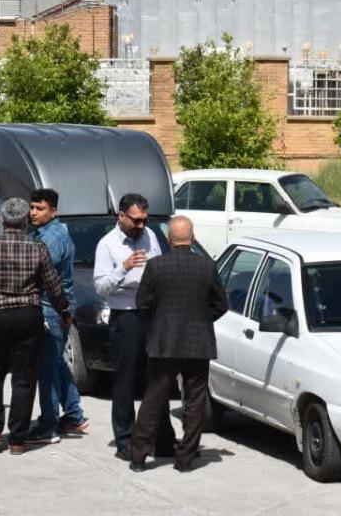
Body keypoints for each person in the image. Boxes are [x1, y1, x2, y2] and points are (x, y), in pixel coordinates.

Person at [0, 198, 70, 455]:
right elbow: (53, 285)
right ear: (25, 221)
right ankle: (17, 440)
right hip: (28, 315)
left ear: (2, 219)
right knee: (24, 378)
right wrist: (64, 311)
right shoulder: (38, 248)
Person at [130, 217, 228, 473]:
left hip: (164, 342)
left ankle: (139, 457)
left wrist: (159, 322)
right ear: (192, 239)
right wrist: (201, 319)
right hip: (198, 343)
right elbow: (221, 304)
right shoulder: (207, 266)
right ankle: (185, 459)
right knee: (195, 403)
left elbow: (142, 304)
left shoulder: (155, 266)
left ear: (169, 240)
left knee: (153, 399)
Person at [93, 193, 176, 460]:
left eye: (144, 220)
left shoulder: (150, 236)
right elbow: (100, 287)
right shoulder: (107, 245)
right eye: (136, 220)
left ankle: (162, 440)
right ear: (121, 216)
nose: (141, 225)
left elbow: (160, 269)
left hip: (152, 314)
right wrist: (124, 268)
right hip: (126, 315)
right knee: (125, 380)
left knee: (158, 378)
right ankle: (126, 441)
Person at [27, 188, 89, 444]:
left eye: (39, 209)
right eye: (32, 207)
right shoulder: (46, 232)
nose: (33, 212)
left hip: (51, 307)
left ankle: (48, 425)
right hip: (55, 306)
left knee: (47, 370)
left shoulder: (50, 238)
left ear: (53, 211)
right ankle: (74, 415)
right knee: (56, 363)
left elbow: (37, 272)